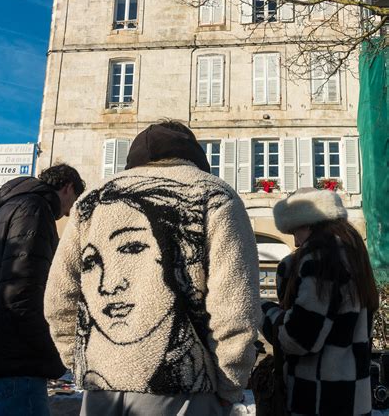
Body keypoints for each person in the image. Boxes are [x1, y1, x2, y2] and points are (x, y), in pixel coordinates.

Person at [45, 121, 260, 415]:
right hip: (184, 394)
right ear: (193, 154)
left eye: (133, 247)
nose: (110, 285)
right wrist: (230, 384)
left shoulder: (89, 202)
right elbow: (235, 304)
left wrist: (80, 359)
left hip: (100, 390)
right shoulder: (215, 195)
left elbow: (59, 296)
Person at [0, 163, 85, 416]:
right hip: (17, 357)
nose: (67, 214)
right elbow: (23, 290)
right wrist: (49, 350)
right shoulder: (35, 210)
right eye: (72, 203)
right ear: (68, 188)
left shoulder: (8, 209)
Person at [261, 188, 379, 416]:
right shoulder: (354, 253)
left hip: (319, 400)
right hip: (353, 397)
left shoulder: (321, 257)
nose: (295, 242)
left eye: (294, 230)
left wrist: (262, 310)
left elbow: (300, 338)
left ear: (306, 223)